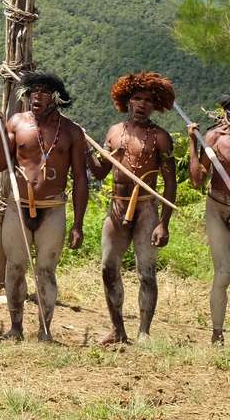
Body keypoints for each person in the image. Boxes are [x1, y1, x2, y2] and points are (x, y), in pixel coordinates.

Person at [0, 71, 88, 342]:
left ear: (55, 98)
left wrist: (78, 224)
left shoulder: (71, 132)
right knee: (14, 267)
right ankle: (15, 327)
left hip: (53, 207)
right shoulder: (16, 123)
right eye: (34, 91)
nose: (37, 96)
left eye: (44, 91)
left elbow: (81, 179)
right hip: (18, 205)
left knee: (46, 270)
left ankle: (45, 331)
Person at [91, 72, 176, 344]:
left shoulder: (161, 137)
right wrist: (86, 152)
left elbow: (170, 183)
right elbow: (100, 172)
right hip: (117, 206)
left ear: (155, 105)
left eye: (148, 101)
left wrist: (164, 223)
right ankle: (117, 330)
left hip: (146, 209)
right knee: (108, 267)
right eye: (137, 98)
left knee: (146, 272)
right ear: (128, 101)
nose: (142, 104)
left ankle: (144, 333)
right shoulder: (114, 132)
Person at [186, 94, 230, 345]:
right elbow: (197, 179)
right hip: (217, 208)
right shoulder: (214, 137)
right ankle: (217, 333)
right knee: (223, 273)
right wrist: (193, 143)